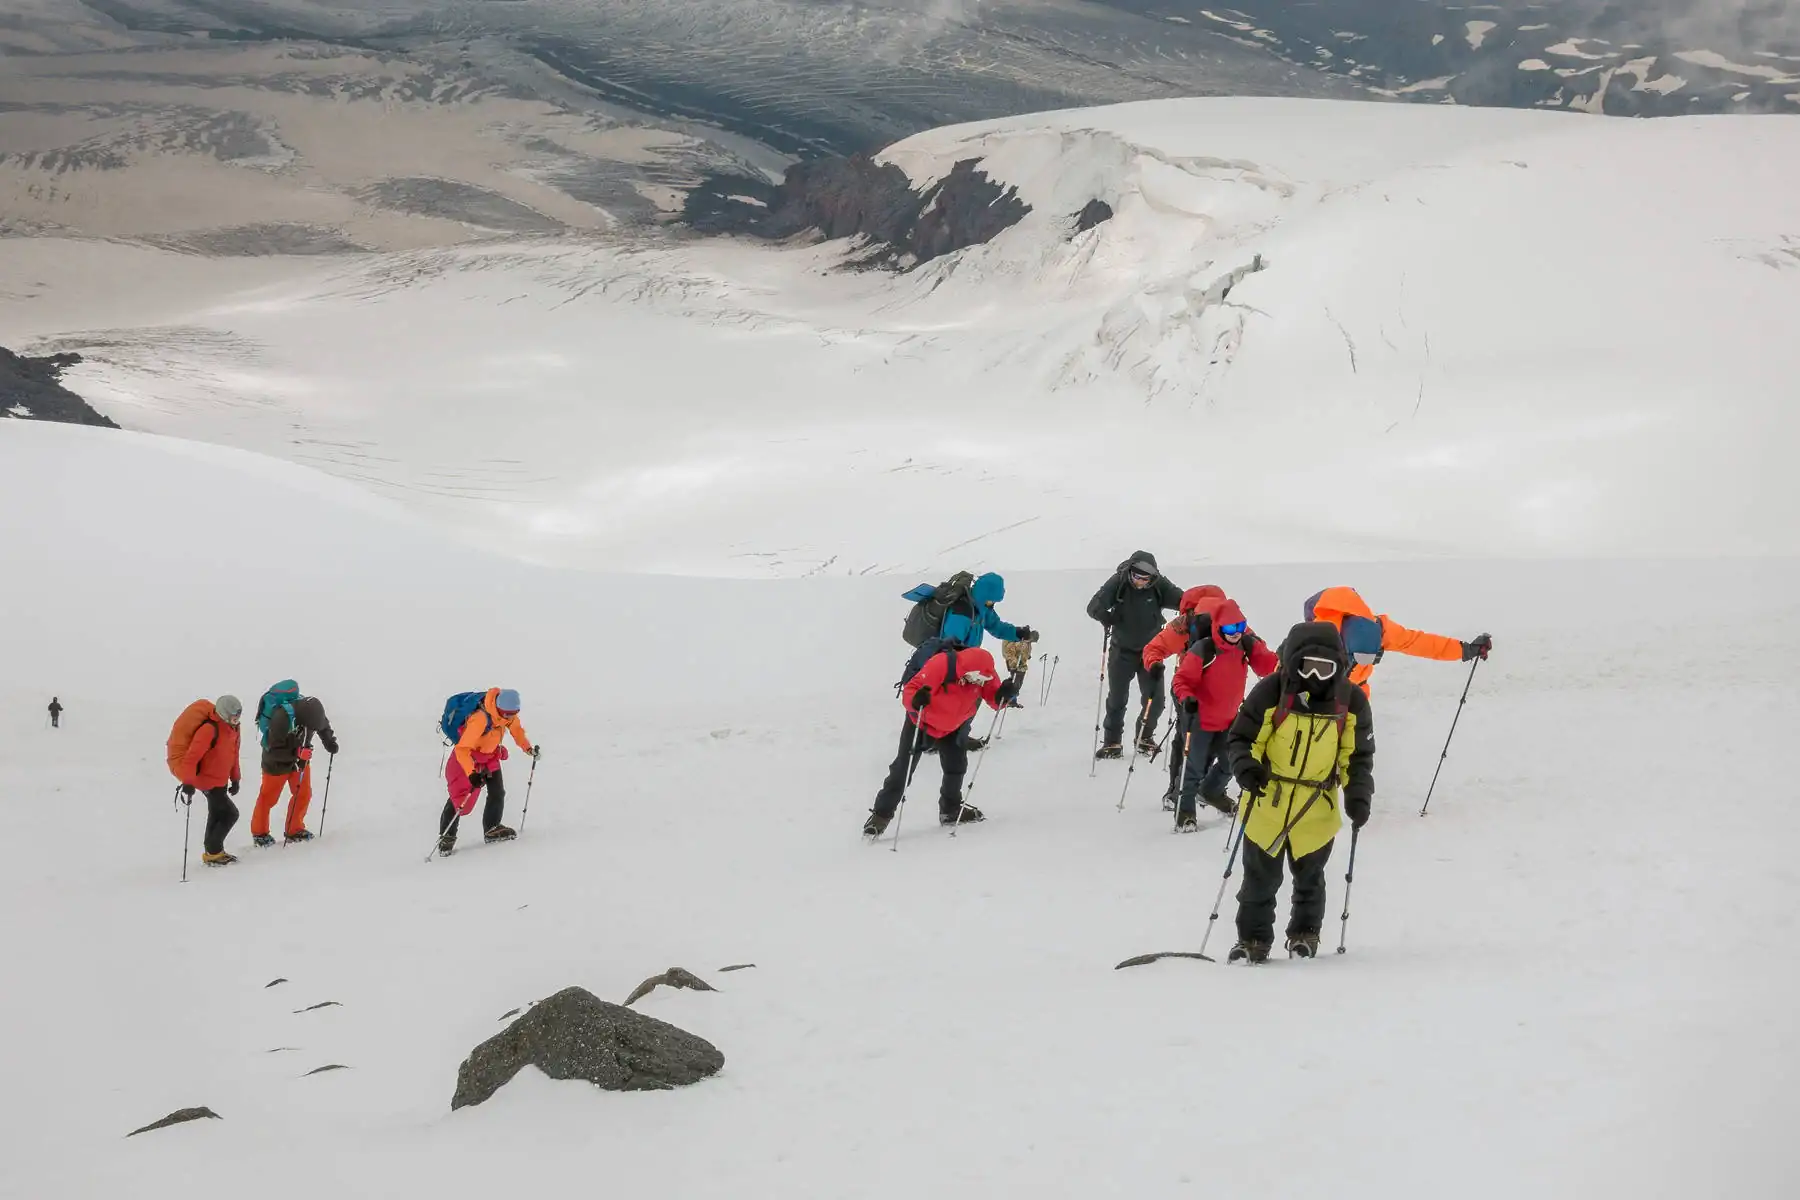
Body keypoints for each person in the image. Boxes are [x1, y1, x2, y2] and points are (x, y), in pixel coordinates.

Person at [1225, 622, 1373, 962]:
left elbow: (1358, 756)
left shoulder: (1350, 701)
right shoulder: (1272, 691)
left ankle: (1305, 934)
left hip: (1315, 807)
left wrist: (1358, 794)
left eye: (1327, 668)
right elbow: (1242, 738)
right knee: (1259, 880)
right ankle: (1252, 940)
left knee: (1310, 880)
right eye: (1309, 667)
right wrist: (1246, 768)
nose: (1318, 676)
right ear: (1293, 663)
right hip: (1266, 801)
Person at [1149, 595, 1279, 830]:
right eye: (1230, 627)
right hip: (1200, 719)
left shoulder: (1246, 646)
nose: (1236, 633)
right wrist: (1186, 699)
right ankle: (1185, 810)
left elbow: (1268, 666)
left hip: (1230, 718)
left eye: (1240, 627)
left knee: (1232, 762)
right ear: (1219, 627)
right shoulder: (1204, 649)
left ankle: (1211, 791)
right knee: (1194, 767)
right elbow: (1181, 680)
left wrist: (1285, 658)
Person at [863, 643, 1020, 837]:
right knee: (903, 769)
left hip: (954, 725)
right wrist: (916, 699)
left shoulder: (985, 672)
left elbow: (994, 700)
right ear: (967, 670)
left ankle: (951, 810)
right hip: (922, 722)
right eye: (977, 678)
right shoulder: (941, 665)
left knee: (956, 767)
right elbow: (911, 689)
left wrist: (1003, 695)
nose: (980, 682)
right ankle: (880, 816)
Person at [1303, 586, 1491, 695]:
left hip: (1355, 703)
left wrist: (1465, 650)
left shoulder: (1378, 629)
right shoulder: (1312, 637)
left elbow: (1418, 642)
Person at [1088, 551, 1183, 758]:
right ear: (1130, 571)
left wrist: (1197, 608)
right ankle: (1112, 742)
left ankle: (1144, 737)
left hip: (1152, 653)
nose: (1139, 581)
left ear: (1153, 577)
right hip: (1122, 650)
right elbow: (1094, 606)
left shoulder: (1159, 585)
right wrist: (1106, 617)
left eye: (1145, 578)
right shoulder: (1118, 581)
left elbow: (1182, 600)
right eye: (1136, 576)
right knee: (1117, 698)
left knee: (1155, 700)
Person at [439, 688, 538, 855]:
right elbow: (462, 749)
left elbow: (517, 731)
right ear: (499, 707)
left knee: (497, 792)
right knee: (460, 799)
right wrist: (471, 773)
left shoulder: (507, 715)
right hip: (470, 759)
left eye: (514, 713)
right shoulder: (479, 719)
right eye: (507, 714)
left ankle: (492, 829)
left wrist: (527, 748)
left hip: (490, 757)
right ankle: (446, 838)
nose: (510, 718)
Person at [252, 688, 339, 847]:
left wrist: (329, 742)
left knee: (303, 793)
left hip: (300, 760)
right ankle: (260, 833)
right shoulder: (281, 718)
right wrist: (298, 753)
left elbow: (323, 725)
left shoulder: (314, 713)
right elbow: (273, 747)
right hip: (276, 763)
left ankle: (294, 829)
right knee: (268, 798)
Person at [167, 695, 244, 867]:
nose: (237, 720)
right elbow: (192, 758)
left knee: (217, 813)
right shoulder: (209, 729)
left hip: (221, 779)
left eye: (238, 716)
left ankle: (212, 853)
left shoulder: (234, 729)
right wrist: (188, 782)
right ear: (224, 714)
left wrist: (235, 778)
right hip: (207, 780)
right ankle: (214, 851)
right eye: (234, 717)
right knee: (231, 814)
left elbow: (233, 755)